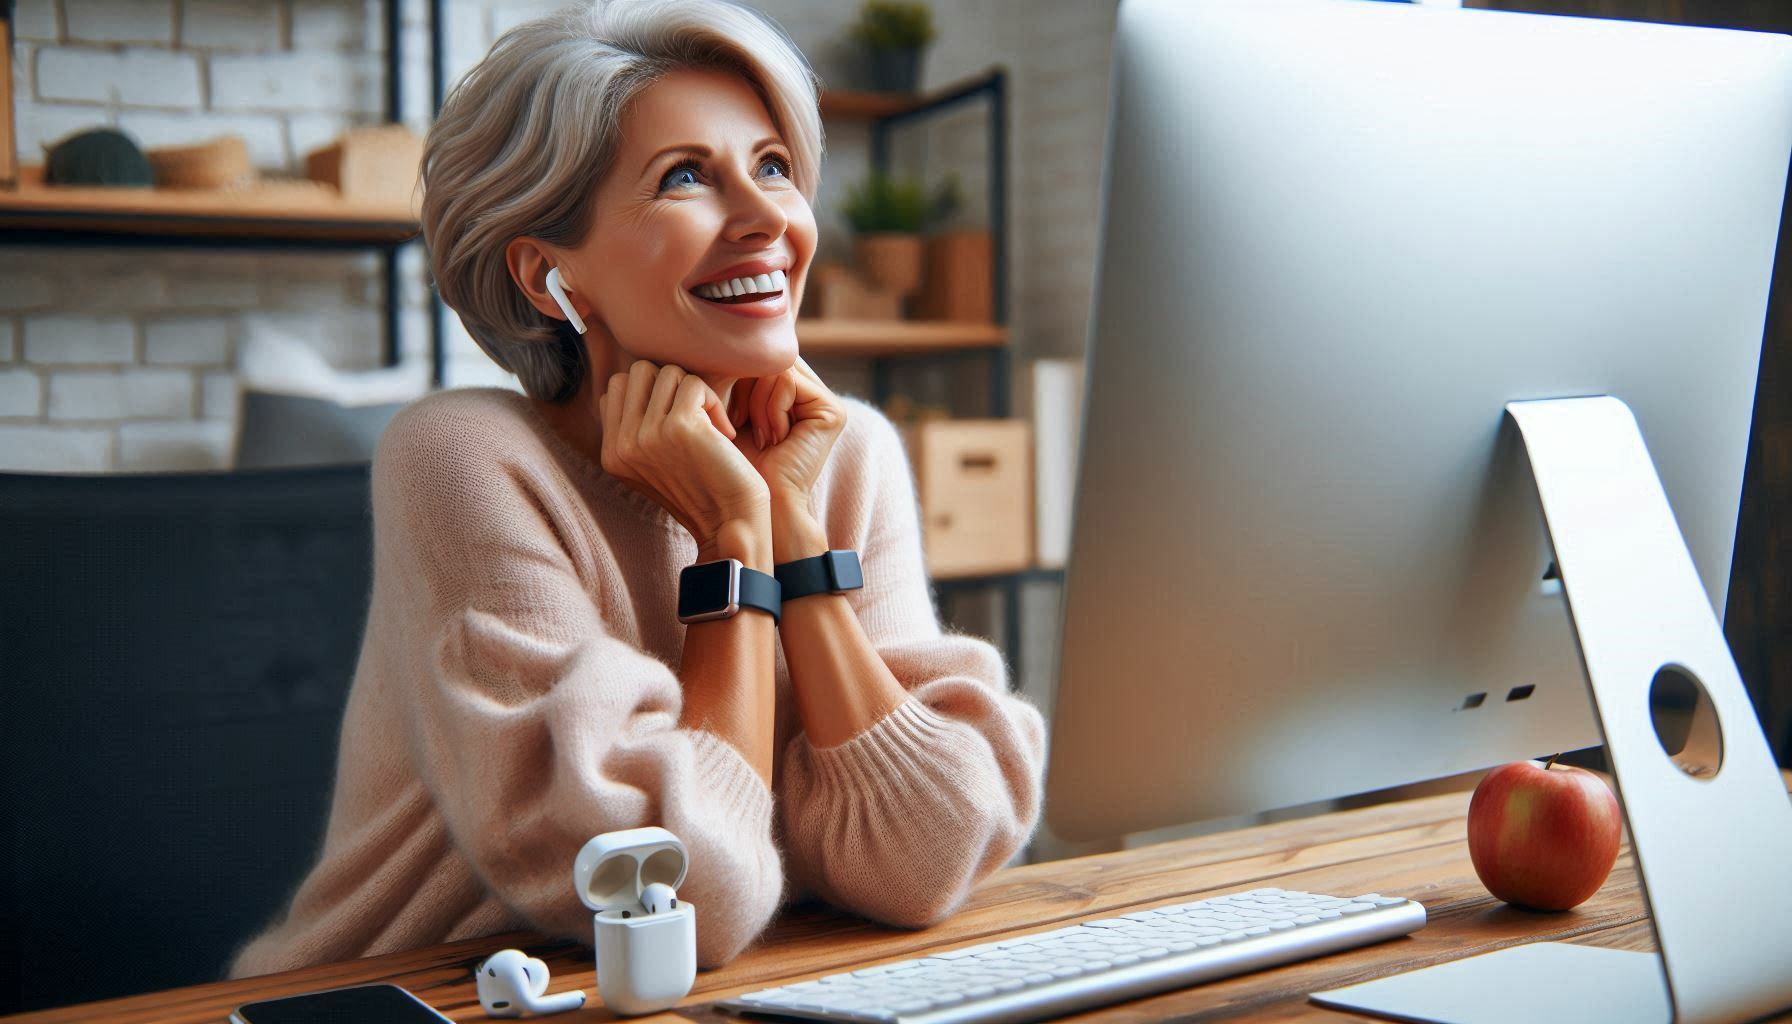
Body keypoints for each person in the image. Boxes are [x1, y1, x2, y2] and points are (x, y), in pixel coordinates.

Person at [228, 0, 1046, 978]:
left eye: (773, 166)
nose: (765, 222)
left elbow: (924, 860)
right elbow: (678, 901)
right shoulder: (462, 459)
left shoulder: (845, 453)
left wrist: (789, 531)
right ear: (547, 276)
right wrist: (732, 537)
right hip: (421, 998)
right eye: (687, 177)